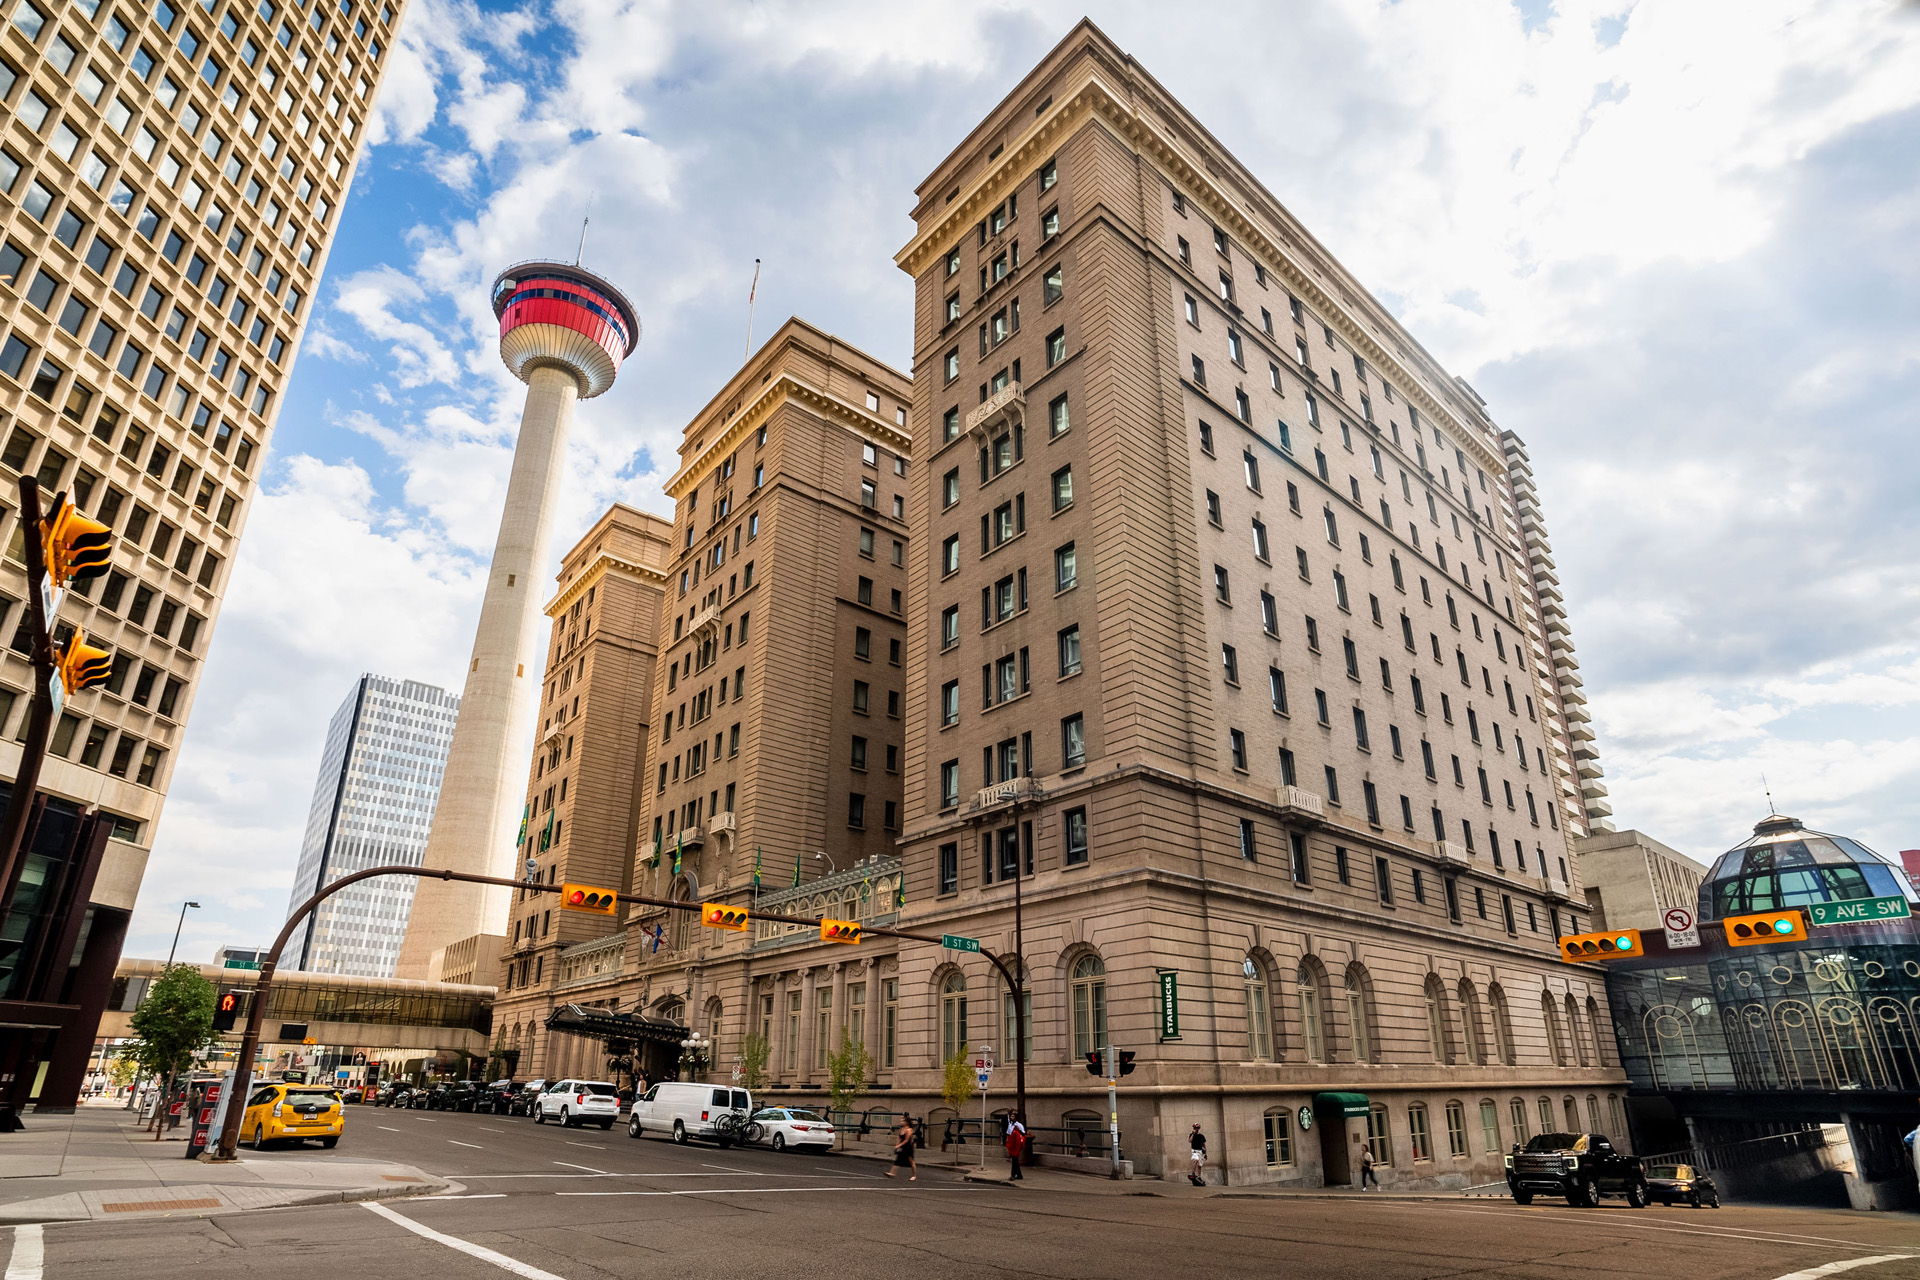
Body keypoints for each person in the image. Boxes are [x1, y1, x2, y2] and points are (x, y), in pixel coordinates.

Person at [1005, 1113, 1027, 1180]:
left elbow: (1023, 1134)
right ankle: (1019, 1175)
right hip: (1012, 1144)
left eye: (1013, 1116)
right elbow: (1008, 1134)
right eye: (1011, 1116)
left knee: (1014, 1160)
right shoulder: (1010, 1125)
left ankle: (1013, 1175)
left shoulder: (1019, 1125)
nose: (1011, 1118)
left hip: (1017, 1144)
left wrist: (1018, 1130)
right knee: (1015, 1160)